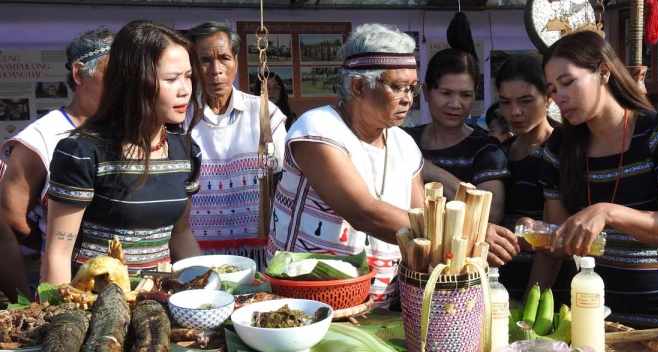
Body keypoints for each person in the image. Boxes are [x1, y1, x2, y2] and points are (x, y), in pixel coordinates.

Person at [541, 31, 658, 352]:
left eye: (568, 82)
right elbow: (558, 245)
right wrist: (539, 237)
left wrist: (608, 212)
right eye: (551, 89)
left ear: (604, 72)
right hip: (593, 312)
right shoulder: (560, 149)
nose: (559, 97)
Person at [267, 23, 423, 309]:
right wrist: (454, 233)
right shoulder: (317, 129)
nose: (408, 99)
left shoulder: (405, 144)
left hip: (380, 307)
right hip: (308, 304)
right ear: (359, 86)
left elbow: (420, 216)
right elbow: (364, 213)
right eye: (398, 87)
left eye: (413, 88)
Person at [41, 20, 204, 285]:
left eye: (188, 76)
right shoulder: (82, 153)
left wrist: (207, 287)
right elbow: (58, 253)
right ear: (133, 82)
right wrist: (62, 316)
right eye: (171, 79)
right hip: (93, 304)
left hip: (157, 302)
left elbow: (180, 233)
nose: (185, 89)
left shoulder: (185, 150)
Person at [0, 27, 114, 301]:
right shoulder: (42, 137)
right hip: (66, 287)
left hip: (121, 285)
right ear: (78, 74)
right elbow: (10, 218)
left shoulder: (124, 130)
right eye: (114, 74)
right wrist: (57, 244)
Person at [187, 22, 286, 268]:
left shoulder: (264, 114)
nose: (216, 71)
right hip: (195, 249)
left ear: (236, 62)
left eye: (224, 58)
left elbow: (282, 182)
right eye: (205, 60)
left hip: (257, 252)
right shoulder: (182, 117)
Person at [403, 14, 508, 224]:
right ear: (426, 92)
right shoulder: (405, 141)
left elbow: (491, 215)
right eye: (445, 93)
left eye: (466, 95)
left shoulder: (486, 149)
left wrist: (427, 169)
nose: (456, 104)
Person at [494, 54, 577, 303]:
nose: (515, 111)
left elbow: (554, 238)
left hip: (547, 291)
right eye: (505, 102)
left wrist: (531, 304)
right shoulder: (500, 152)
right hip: (499, 284)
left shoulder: (562, 150)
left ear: (548, 96)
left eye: (526, 101)